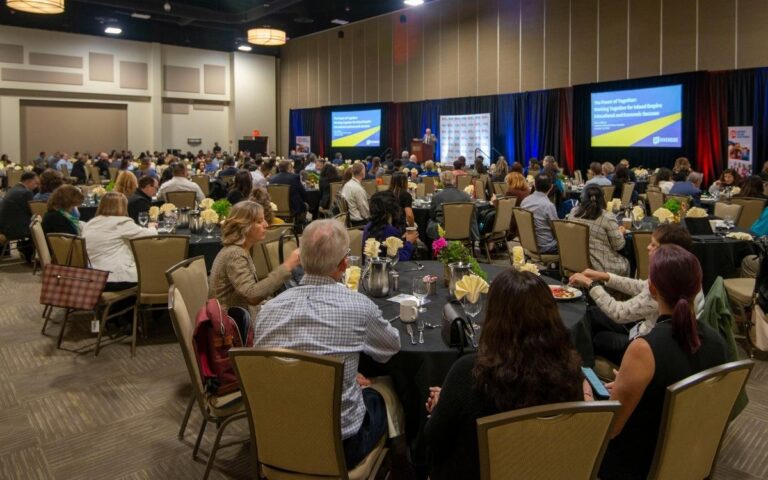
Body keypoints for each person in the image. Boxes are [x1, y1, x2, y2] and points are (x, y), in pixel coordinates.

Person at [253, 219, 400, 469]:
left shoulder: (268, 310)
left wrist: (345, 374)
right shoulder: (358, 307)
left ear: (300, 257)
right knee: (386, 391)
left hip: (276, 441)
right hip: (339, 448)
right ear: (343, 263)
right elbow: (390, 348)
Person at [425, 269, 584, 480]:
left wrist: (441, 406)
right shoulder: (570, 370)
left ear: (493, 317)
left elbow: (433, 439)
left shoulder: (469, 371)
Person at [598, 245, 728, 479]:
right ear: (698, 287)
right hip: (691, 453)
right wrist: (633, 382)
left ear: (652, 289)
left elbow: (611, 428)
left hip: (642, 463)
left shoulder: (644, 350)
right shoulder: (719, 342)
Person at [569, 224, 705, 365]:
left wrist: (591, 285)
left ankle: (584, 371)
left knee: (597, 337)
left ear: (668, 252)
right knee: (592, 314)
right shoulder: (685, 274)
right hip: (645, 330)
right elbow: (641, 286)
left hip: (648, 346)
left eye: (654, 245)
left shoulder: (663, 289)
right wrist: (604, 276)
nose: (648, 247)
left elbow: (618, 313)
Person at [208, 201, 300, 315]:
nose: (266, 225)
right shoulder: (235, 254)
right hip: (233, 326)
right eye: (259, 221)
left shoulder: (241, 249)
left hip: (241, 315)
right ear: (244, 226)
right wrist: (287, 266)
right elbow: (251, 295)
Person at [81, 192, 157, 291]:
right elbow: (149, 236)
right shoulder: (121, 222)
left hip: (94, 278)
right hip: (116, 279)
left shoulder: (90, 223)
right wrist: (152, 227)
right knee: (155, 268)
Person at [567, 185, 629, 276]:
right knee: (629, 260)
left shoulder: (573, 212)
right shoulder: (607, 217)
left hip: (575, 262)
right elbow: (618, 246)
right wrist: (621, 232)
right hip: (601, 266)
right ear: (603, 199)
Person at [363, 192, 418, 261]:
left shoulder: (368, 226)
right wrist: (409, 242)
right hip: (386, 269)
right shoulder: (390, 231)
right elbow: (400, 260)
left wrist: (401, 239)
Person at [427, 170, 478, 240]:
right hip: (464, 229)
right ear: (454, 180)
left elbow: (432, 215)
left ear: (442, 182)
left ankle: (433, 247)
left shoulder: (436, 197)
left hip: (444, 231)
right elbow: (474, 212)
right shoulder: (466, 196)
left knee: (429, 221)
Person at [0, 171, 39, 262]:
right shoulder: (26, 192)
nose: (36, 186)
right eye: (35, 183)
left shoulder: (13, 189)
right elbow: (33, 212)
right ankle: (32, 256)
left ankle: (26, 251)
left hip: (5, 226)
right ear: (29, 181)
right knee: (40, 227)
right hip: (14, 229)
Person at [519, 174, 559, 254]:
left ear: (534, 184)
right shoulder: (548, 206)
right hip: (546, 246)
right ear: (551, 187)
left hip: (528, 244)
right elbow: (557, 230)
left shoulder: (525, 201)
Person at [341, 162, 370, 227]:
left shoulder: (347, 184)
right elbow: (365, 213)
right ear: (362, 172)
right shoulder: (357, 189)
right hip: (359, 222)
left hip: (351, 219)